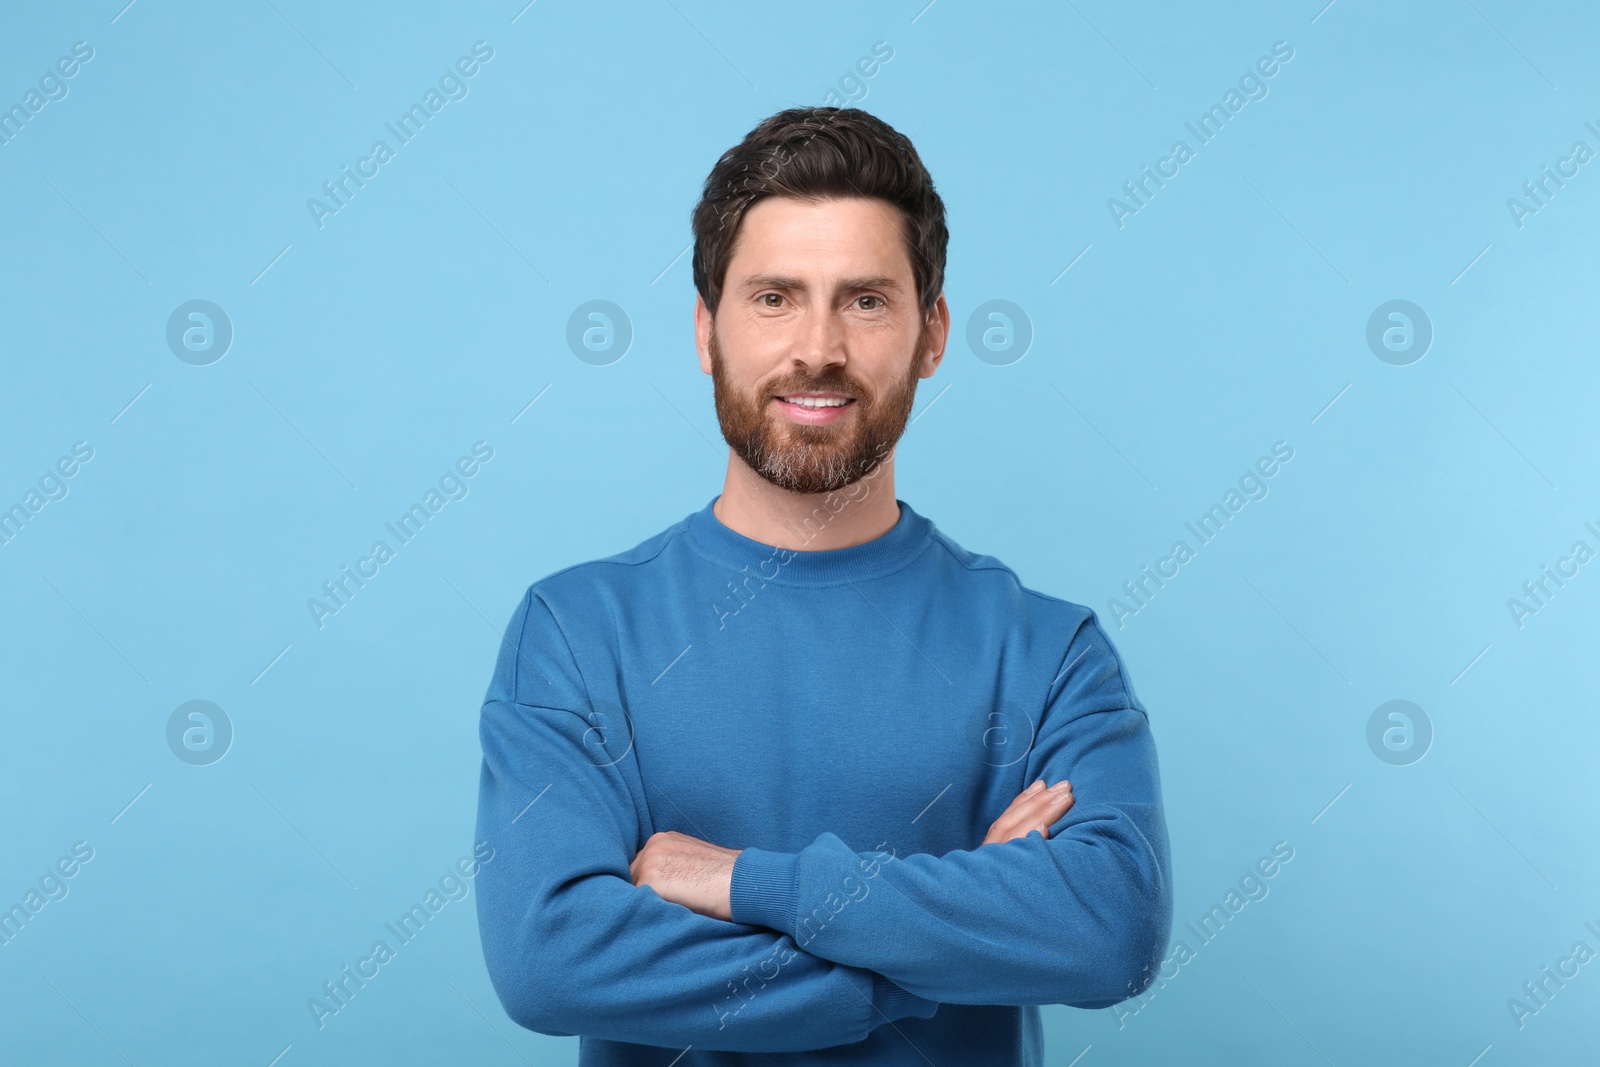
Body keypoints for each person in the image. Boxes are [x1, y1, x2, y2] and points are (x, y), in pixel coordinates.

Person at [473, 105, 1173, 1066]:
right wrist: (943, 942)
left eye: (866, 299)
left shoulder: (1047, 653)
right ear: (705, 330)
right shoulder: (576, 633)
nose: (817, 347)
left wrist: (753, 884)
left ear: (931, 335)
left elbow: (1111, 931)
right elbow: (550, 958)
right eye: (773, 297)